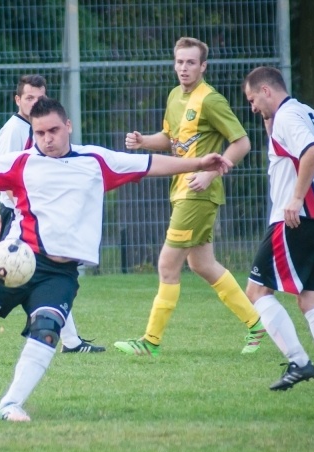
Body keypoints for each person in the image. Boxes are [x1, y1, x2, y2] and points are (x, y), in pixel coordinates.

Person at [0, 97, 232, 422]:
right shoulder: (21, 162)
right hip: (19, 260)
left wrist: (198, 163)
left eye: (53, 130)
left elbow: (150, 164)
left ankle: (10, 404)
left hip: (60, 273)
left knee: (47, 329)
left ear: (68, 126)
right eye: (39, 133)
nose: (47, 139)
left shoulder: (95, 160)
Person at [113, 36, 265, 358]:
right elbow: (170, 139)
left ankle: (150, 341)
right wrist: (143, 141)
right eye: (180, 62)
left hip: (199, 194)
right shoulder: (173, 96)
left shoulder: (210, 100)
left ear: (203, 66)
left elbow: (241, 143)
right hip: (181, 190)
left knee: (168, 264)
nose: (184, 68)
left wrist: (211, 172)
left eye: (191, 62)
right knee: (203, 265)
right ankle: (257, 324)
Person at [0, 74, 105, 355]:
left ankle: (70, 341)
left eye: (40, 98)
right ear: (17, 100)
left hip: (24, 210)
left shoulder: (37, 126)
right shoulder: (15, 130)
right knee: (11, 275)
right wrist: (7, 209)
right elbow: (8, 173)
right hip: (21, 211)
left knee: (45, 274)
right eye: (29, 98)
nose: (35, 103)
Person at [242, 66, 314, 391]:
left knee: (257, 291)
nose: (252, 107)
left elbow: (311, 152)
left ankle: (299, 362)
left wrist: (294, 198)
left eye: (252, 100)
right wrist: (266, 121)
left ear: (266, 91)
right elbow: (288, 153)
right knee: (309, 299)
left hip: (296, 218)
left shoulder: (288, 117)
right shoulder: (304, 112)